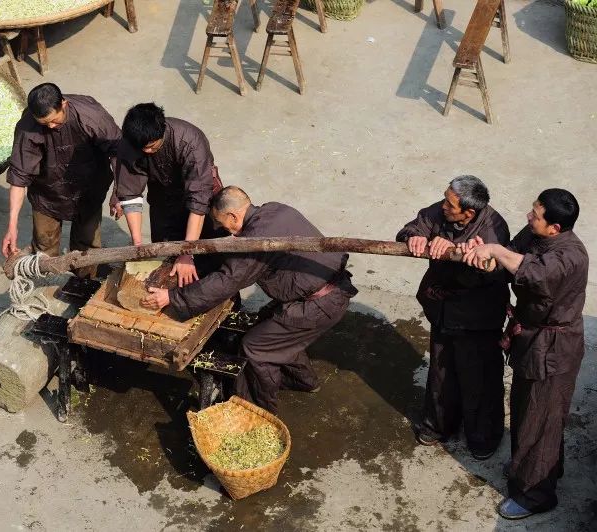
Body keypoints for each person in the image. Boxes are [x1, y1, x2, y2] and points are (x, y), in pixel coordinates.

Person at [142, 186, 357, 414]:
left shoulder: (255, 240)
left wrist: (173, 297)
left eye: (224, 225)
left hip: (320, 304)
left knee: (255, 348)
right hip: (331, 288)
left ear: (233, 215)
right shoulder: (274, 210)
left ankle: (256, 412)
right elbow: (235, 260)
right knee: (268, 326)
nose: (229, 232)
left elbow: (228, 280)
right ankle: (304, 381)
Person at [461, 189, 588, 519]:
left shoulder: (570, 257)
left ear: (555, 229)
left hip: (553, 351)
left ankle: (535, 495)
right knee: (525, 410)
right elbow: (511, 260)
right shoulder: (534, 235)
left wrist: (496, 250)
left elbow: (535, 273)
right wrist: (487, 256)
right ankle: (534, 469)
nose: (529, 218)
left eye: (536, 215)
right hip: (531, 340)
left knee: (540, 421)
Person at [396, 175, 510, 459]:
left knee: (479, 379)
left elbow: (489, 274)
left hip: (477, 319)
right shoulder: (442, 210)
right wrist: (416, 237)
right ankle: (437, 426)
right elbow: (415, 225)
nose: (443, 206)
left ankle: (482, 438)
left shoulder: (495, 228)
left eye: (450, 203)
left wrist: (456, 254)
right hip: (442, 311)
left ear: (468, 213)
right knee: (441, 371)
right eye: (445, 199)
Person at [1, 83, 121, 278]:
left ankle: (85, 280)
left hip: (88, 188)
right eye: (44, 123)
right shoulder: (28, 127)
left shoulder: (90, 116)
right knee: (44, 247)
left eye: (54, 121)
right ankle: (44, 284)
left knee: (87, 248)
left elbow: (118, 151)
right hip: (47, 193)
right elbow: (18, 178)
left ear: (64, 104)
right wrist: (12, 226)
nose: (50, 127)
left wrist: (119, 192)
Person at [114, 103, 223, 287]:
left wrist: (187, 252)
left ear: (162, 129)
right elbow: (130, 193)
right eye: (142, 149)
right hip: (163, 196)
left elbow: (198, 202)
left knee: (209, 254)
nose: (147, 152)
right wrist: (138, 244)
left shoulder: (190, 142)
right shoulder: (130, 144)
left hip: (201, 198)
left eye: (151, 146)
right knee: (166, 249)